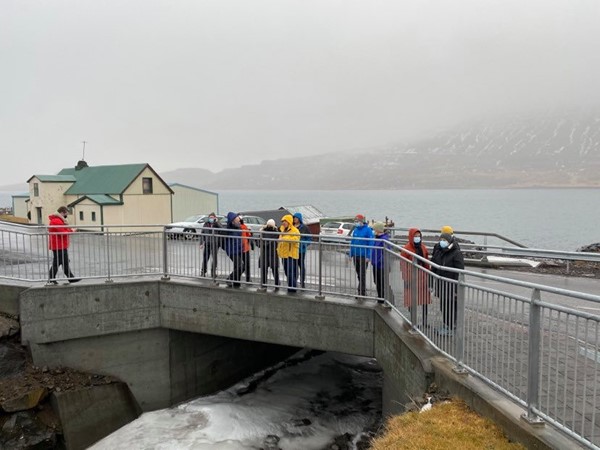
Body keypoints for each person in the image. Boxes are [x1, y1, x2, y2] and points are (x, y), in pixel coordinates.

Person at [431, 232, 465, 336]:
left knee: (450, 307)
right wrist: (430, 283)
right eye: (441, 240)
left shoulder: (456, 253)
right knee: (444, 306)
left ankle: (451, 327)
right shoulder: (440, 251)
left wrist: (456, 289)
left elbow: (460, 271)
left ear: (449, 241)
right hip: (442, 284)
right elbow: (434, 267)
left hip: (452, 285)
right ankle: (447, 325)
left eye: (444, 240)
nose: (442, 242)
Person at [401, 228, 431, 326]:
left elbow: (426, 262)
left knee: (424, 300)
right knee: (411, 300)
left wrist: (429, 274)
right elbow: (403, 265)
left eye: (419, 236)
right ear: (411, 236)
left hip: (422, 277)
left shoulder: (423, 247)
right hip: (411, 278)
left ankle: (425, 321)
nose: (417, 238)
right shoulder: (406, 249)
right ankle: (413, 320)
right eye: (415, 236)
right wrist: (406, 279)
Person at [48, 206, 80, 284]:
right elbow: (62, 233)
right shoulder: (56, 221)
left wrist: (70, 230)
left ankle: (70, 278)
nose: (67, 215)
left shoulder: (58, 220)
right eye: (66, 213)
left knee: (65, 262)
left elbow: (64, 230)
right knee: (58, 262)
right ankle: (51, 278)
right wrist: (72, 231)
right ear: (62, 212)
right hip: (58, 245)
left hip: (60, 245)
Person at [349, 214, 374, 298]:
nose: (356, 222)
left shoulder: (368, 230)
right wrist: (351, 254)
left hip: (363, 256)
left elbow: (371, 243)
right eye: (355, 221)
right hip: (356, 255)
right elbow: (353, 242)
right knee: (358, 274)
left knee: (362, 273)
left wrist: (368, 256)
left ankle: (361, 292)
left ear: (361, 221)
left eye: (357, 220)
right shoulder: (355, 230)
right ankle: (363, 289)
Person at [277, 214, 300, 293]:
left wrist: (284, 238)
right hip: (284, 254)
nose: (283, 223)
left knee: (290, 272)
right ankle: (291, 286)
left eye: (285, 221)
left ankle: (292, 288)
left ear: (289, 222)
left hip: (291, 254)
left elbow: (296, 239)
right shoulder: (282, 229)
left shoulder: (295, 230)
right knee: (287, 272)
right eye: (282, 221)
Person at [370, 222, 390, 303]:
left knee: (381, 282)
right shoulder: (377, 238)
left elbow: (386, 252)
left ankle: (382, 298)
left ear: (378, 230)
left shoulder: (384, 239)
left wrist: (379, 261)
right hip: (376, 264)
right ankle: (380, 297)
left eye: (374, 229)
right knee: (376, 281)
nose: (374, 231)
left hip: (381, 265)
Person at [223, 212, 244, 287]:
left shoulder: (238, 227)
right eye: (236, 219)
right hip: (232, 250)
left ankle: (236, 283)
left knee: (237, 266)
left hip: (239, 250)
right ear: (232, 221)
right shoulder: (229, 229)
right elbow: (222, 231)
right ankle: (230, 278)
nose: (238, 220)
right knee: (241, 266)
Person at [259, 219, 280, 290]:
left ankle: (264, 284)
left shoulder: (262, 232)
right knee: (275, 270)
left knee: (264, 270)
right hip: (273, 253)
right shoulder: (276, 233)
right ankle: (277, 284)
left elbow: (258, 243)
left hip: (264, 253)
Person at [292, 213, 311, 288]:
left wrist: (304, 244)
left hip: (301, 250)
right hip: (293, 250)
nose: (294, 219)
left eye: (296, 218)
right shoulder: (291, 227)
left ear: (299, 219)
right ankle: (294, 280)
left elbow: (309, 239)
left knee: (301, 265)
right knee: (294, 266)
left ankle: (302, 281)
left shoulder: (305, 227)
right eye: (294, 218)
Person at [201, 212, 222, 278]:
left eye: (212, 218)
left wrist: (217, 222)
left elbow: (221, 229)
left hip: (215, 243)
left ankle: (213, 272)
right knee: (205, 258)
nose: (211, 219)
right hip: (207, 243)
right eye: (210, 217)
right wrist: (201, 243)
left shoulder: (217, 224)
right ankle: (203, 271)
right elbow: (202, 233)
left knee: (214, 258)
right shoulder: (206, 224)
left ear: (215, 218)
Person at [239, 217, 254, 282]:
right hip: (245, 248)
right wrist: (252, 245)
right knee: (246, 264)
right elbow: (249, 236)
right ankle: (247, 278)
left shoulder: (241, 227)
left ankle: (237, 277)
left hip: (240, 248)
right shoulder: (244, 227)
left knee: (239, 265)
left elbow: (248, 235)